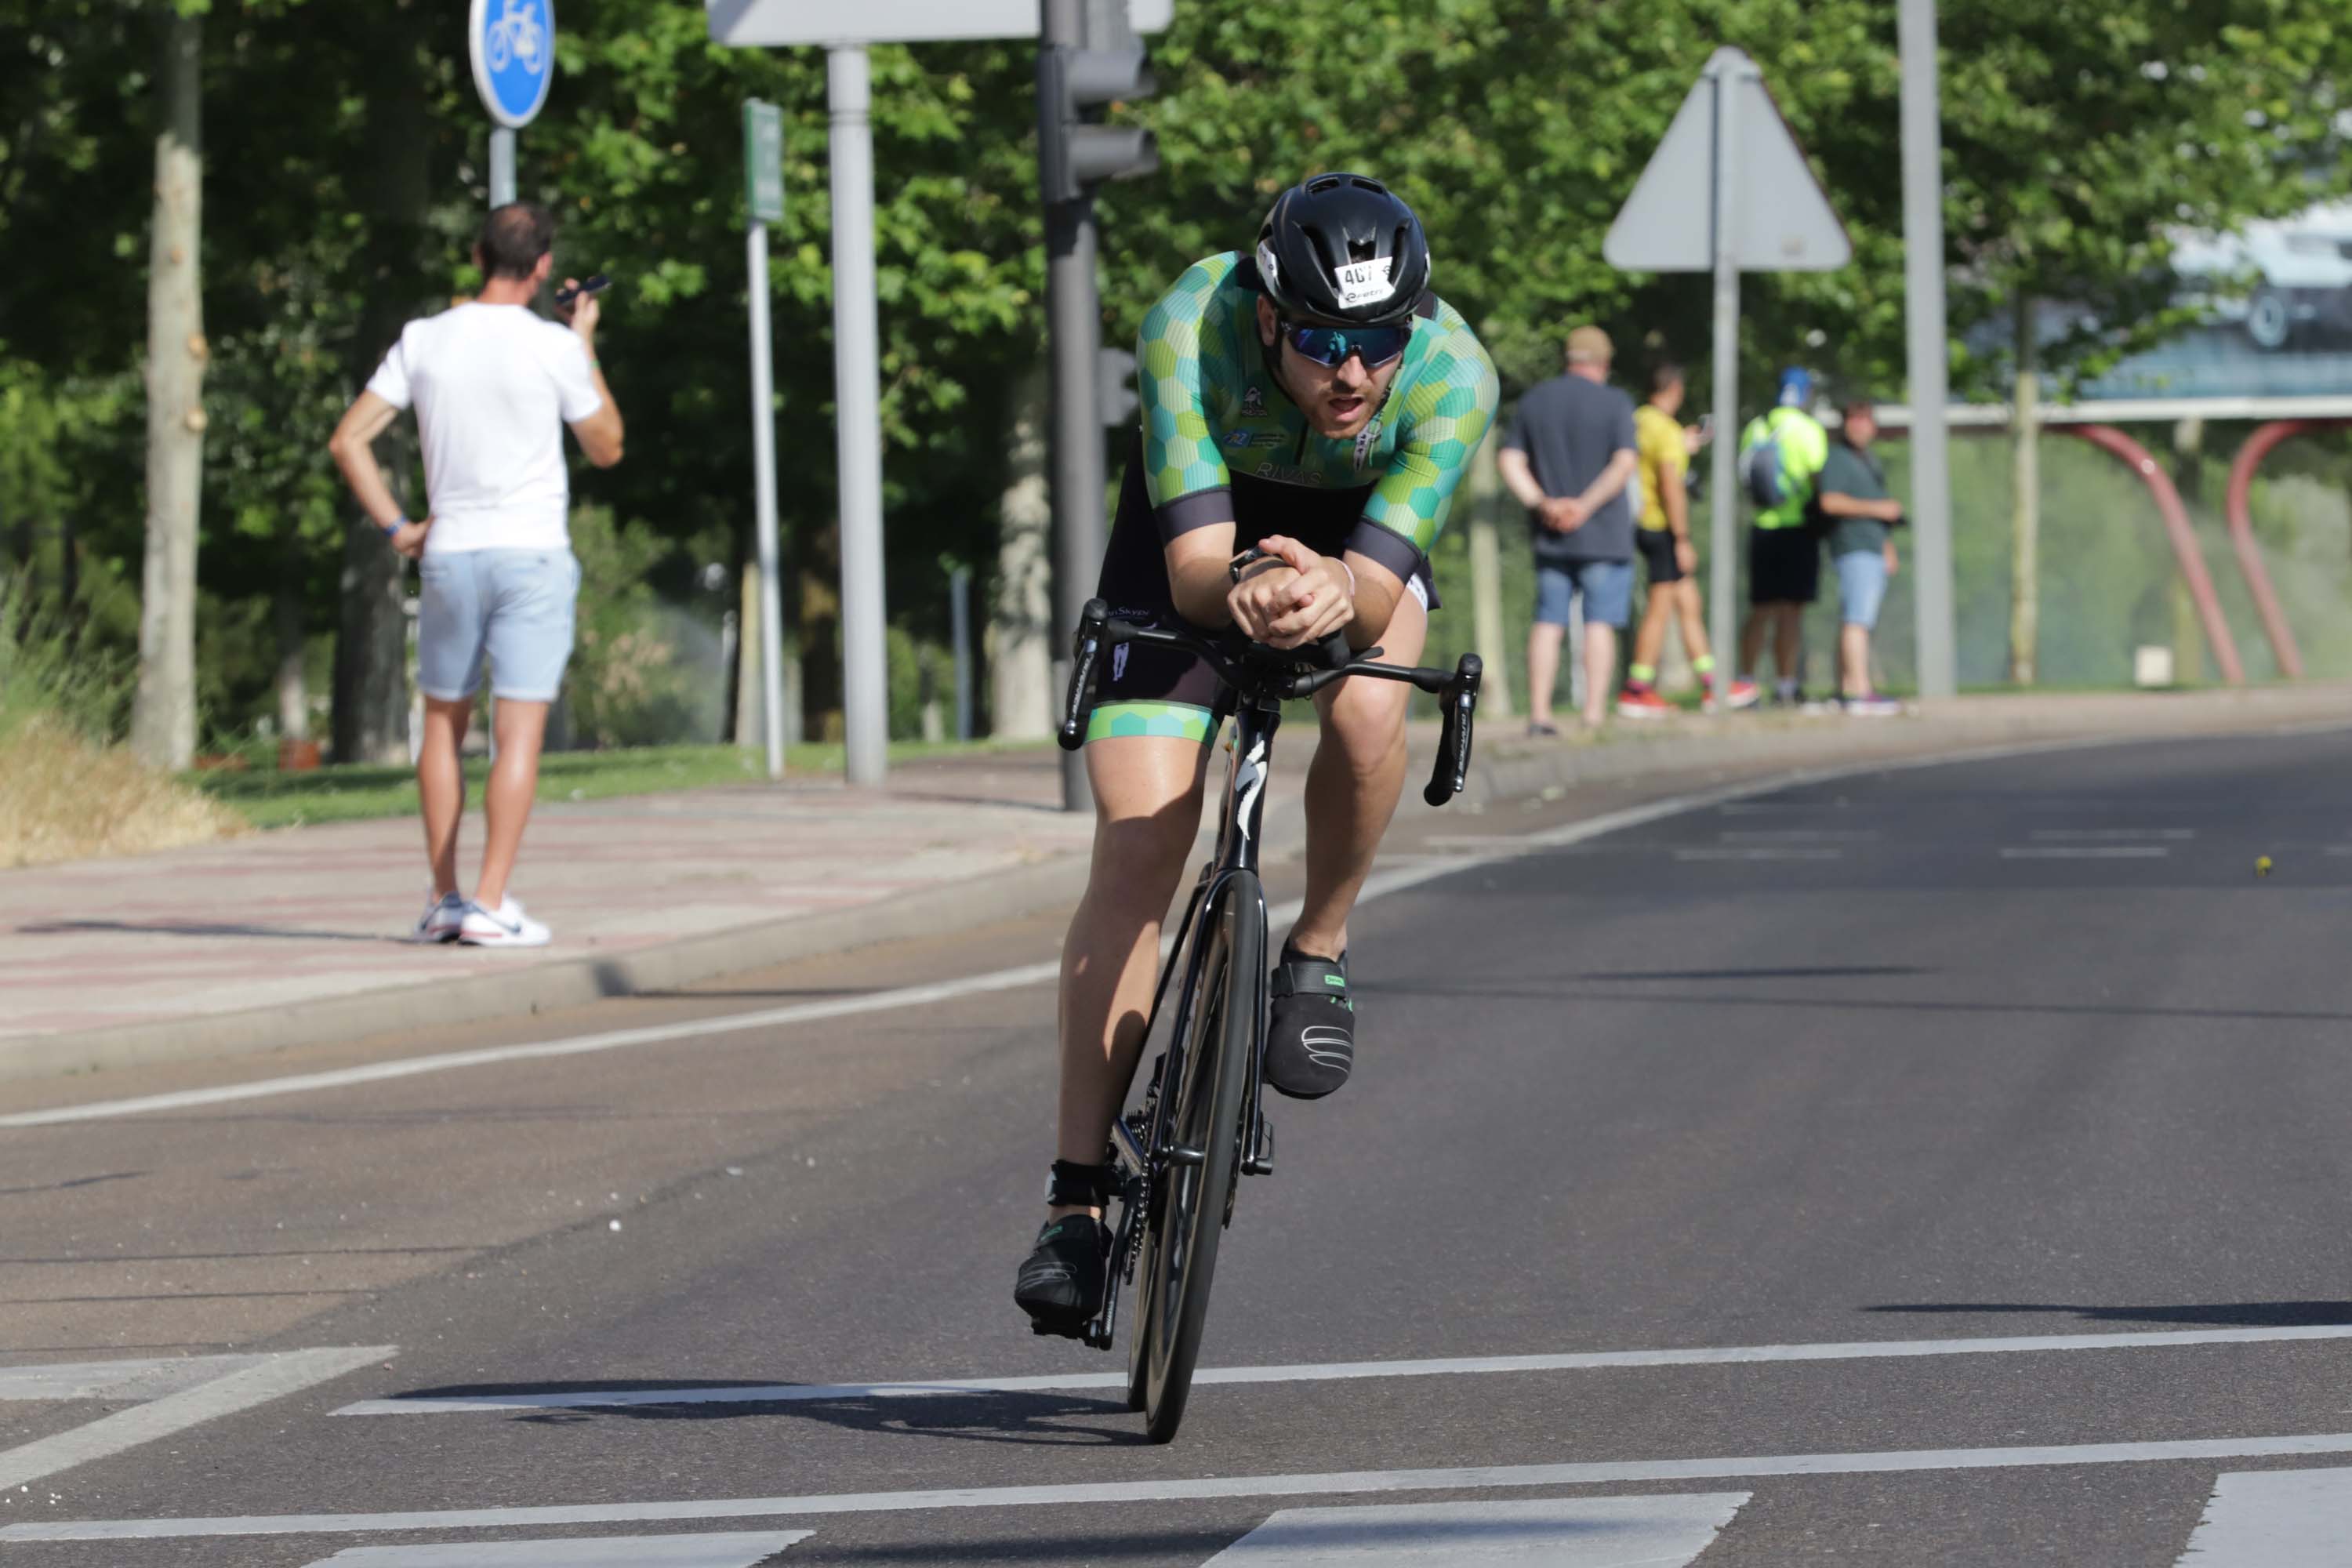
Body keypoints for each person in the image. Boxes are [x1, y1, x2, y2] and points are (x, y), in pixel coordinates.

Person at [1013, 173, 1498, 1334]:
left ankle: (1319, 950)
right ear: (1272, 316)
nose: (1353, 373)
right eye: (1325, 340)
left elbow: (1379, 594)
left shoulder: (1454, 375)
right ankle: (1075, 1204)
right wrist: (1250, 586)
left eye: (1377, 342)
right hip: (1199, 532)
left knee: (1374, 708)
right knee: (1139, 849)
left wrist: (1334, 591)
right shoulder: (1192, 324)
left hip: (1352, 542)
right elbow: (1187, 576)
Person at [328, 202, 624, 949]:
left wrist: (400, 529)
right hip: (530, 554)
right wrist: (583, 342)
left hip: (451, 549)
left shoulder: (425, 339)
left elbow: (348, 440)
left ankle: (443, 898)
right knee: (516, 736)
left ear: (476, 254)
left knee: (442, 724)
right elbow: (607, 447)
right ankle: (492, 901)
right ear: (546, 266)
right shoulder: (553, 347)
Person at [1497, 325, 1638, 735]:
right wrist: (1585, 505)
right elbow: (1624, 463)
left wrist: (1544, 504)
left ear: (1568, 359)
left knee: (1548, 620)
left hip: (1551, 533)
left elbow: (1509, 461)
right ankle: (1592, 714)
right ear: (1604, 363)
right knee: (1599, 622)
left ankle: (1539, 714)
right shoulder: (1615, 403)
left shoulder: (1536, 400)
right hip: (1604, 535)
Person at [1617, 362, 1757, 717]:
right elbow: (1670, 485)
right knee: (1660, 609)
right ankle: (1636, 689)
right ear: (1675, 389)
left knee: (1688, 602)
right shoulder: (1665, 430)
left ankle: (1713, 683)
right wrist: (1682, 538)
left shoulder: (1641, 419)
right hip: (1662, 527)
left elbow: (1651, 459)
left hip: (1641, 523)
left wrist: (1686, 443)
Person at [1736, 367, 1829, 704]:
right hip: (1797, 530)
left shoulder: (1756, 427)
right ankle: (1786, 685)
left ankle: (1745, 682)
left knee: (1761, 609)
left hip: (1762, 528)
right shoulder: (1808, 430)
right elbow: (1819, 478)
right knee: (1791, 612)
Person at [1817, 399, 1904, 715]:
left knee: (1856, 619)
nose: (1860, 426)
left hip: (1872, 546)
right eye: (1854, 419)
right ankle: (1858, 691)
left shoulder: (1868, 461)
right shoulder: (1838, 459)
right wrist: (1877, 509)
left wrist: (1887, 546)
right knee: (1857, 619)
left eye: (1865, 419)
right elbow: (1829, 501)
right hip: (1853, 546)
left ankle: (1847, 688)